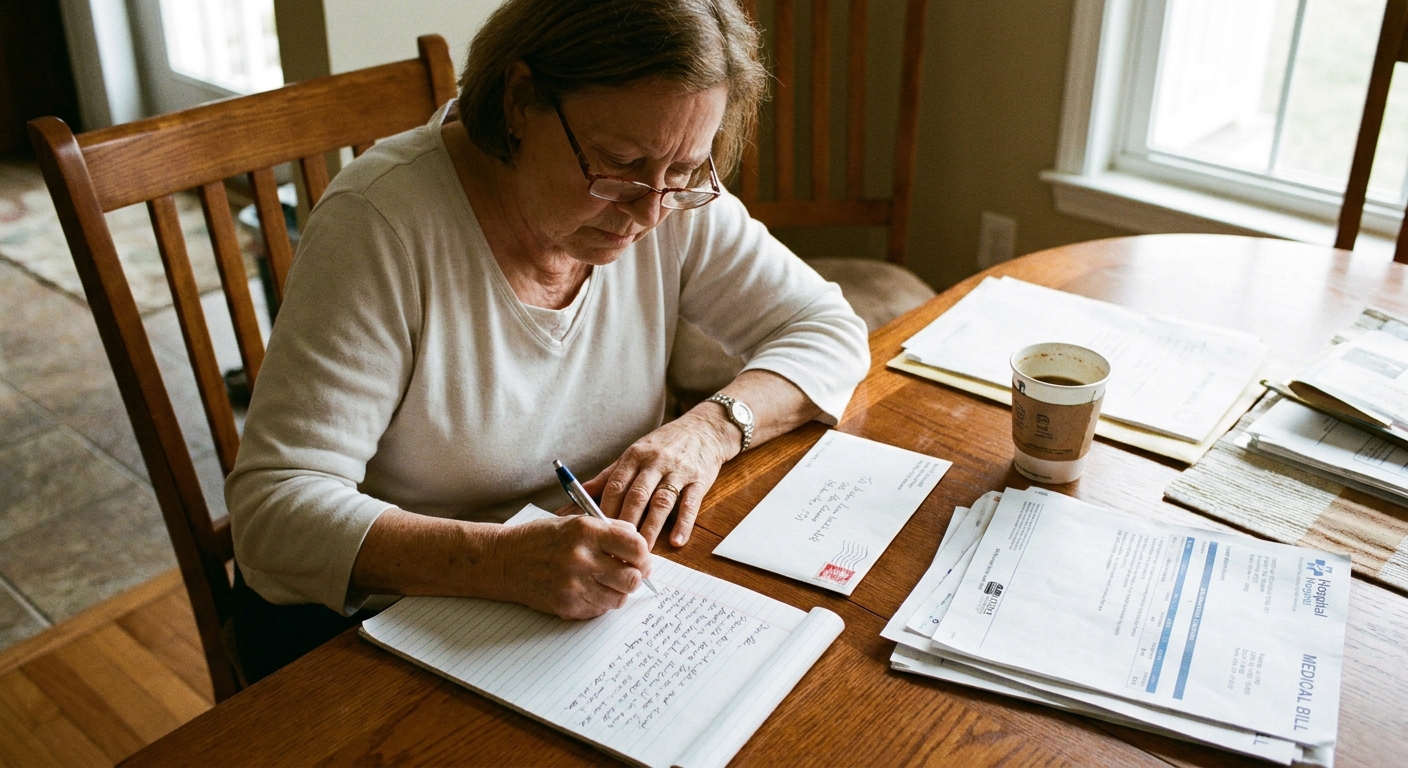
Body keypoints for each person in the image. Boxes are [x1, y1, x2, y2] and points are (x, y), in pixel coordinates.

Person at [226, 0, 869, 681]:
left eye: (683, 172)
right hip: (387, 632)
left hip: (580, 615)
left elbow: (828, 328)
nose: (649, 213)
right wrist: (502, 561)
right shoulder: (380, 227)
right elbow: (272, 516)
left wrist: (708, 429)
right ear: (519, 102)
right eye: (619, 164)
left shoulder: (664, 190)